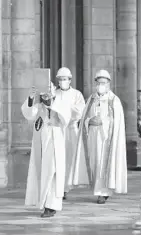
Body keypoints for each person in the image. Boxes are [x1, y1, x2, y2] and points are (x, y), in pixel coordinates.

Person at [68, 69, 127, 204]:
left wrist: (103, 122)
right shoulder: (91, 99)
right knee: (95, 162)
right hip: (92, 136)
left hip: (106, 137)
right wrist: (90, 121)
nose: (100, 85)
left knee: (103, 163)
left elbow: (116, 122)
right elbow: (84, 118)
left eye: (103, 83)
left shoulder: (114, 100)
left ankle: (103, 192)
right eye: (98, 82)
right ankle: (97, 189)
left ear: (108, 84)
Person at [22, 81, 71, 218]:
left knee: (53, 173)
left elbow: (65, 118)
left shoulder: (60, 102)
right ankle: (44, 203)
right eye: (42, 93)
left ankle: (52, 205)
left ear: (53, 90)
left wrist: (51, 103)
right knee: (43, 173)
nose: (45, 96)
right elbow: (29, 114)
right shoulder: (39, 105)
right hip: (41, 143)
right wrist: (31, 98)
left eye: (48, 92)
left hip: (55, 143)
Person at [54, 67, 86, 200]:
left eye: (65, 79)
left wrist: (64, 110)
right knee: (57, 158)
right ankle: (58, 187)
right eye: (60, 79)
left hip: (71, 130)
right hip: (57, 130)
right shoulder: (54, 93)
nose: (62, 81)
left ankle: (66, 187)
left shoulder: (77, 94)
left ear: (70, 80)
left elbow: (79, 111)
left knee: (69, 158)